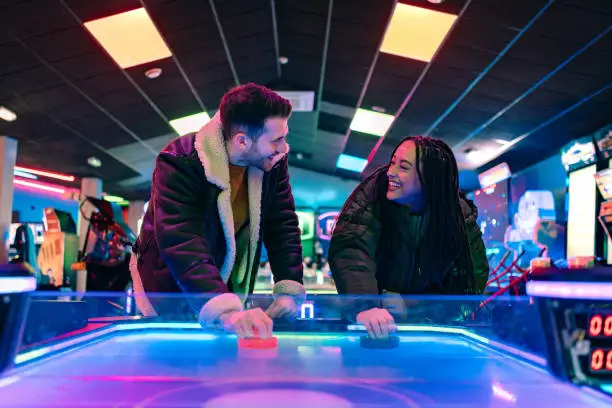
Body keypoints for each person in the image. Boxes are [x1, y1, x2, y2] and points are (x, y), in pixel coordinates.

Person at [130, 83, 305, 338]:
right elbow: (181, 239)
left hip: (225, 288)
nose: (284, 147)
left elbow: (282, 224)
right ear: (243, 141)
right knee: (175, 370)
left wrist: (288, 288)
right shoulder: (180, 162)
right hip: (171, 289)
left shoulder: (272, 162)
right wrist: (221, 307)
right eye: (277, 139)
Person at [329, 136, 489, 338]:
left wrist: (411, 307)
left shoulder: (459, 217)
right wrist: (366, 306)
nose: (390, 173)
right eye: (392, 162)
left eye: (403, 167)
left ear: (430, 178)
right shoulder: (371, 200)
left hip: (431, 337)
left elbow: (470, 283)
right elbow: (351, 252)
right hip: (371, 333)